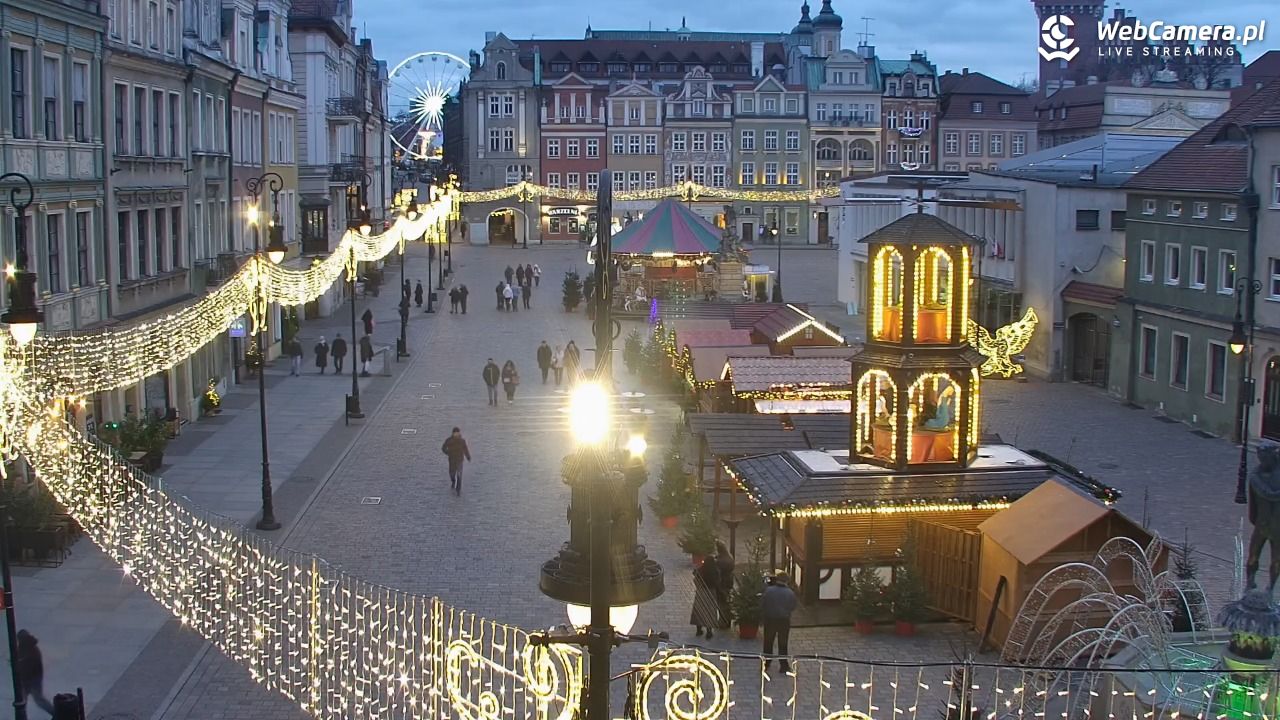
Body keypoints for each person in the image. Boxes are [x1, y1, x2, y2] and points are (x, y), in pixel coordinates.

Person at [761, 572, 798, 673]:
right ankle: (783, 665)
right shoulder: (790, 593)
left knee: (768, 642)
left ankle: (766, 663)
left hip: (770, 619)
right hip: (783, 620)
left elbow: (763, 604)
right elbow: (793, 606)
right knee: (783, 643)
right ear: (787, 581)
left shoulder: (768, 590)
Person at [16, 630, 54, 715]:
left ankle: (55, 713)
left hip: (32, 679)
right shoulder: (25, 647)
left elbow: (28, 664)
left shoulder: (31, 649)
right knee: (28, 700)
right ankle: (54, 713)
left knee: (35, 699)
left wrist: (19, 663)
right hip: (28, 679)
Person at [691, 557, 722, 639]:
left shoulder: (700, 570)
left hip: (701, 592)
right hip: (711, 592)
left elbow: (695, 578)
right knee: (710, 611)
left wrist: (698, 586)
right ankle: (709, 632)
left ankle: (698, 630)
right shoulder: (715, 571)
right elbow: (718, 581)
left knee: (699, 610)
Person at [441, 427, 471, 496]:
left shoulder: (462, 441)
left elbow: (465, 449)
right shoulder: (449, 440)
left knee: (459, 475)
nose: (457, 434)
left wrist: (468, 457)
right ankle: (453, 481)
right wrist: (448, 453)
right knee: (452, 474)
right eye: (455, 433)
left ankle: (458, 490)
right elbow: (443, 448)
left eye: (458, 433)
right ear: (453, 433)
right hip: (452, 460)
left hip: (460, 460)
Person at [714, 540, 736, 629]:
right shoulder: (729, 557)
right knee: (726, 602)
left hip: (722, 583)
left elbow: (717, 570)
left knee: (722, 603)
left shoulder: (721, 561)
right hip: (729, 582)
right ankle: (727, 620)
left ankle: (723, 621)